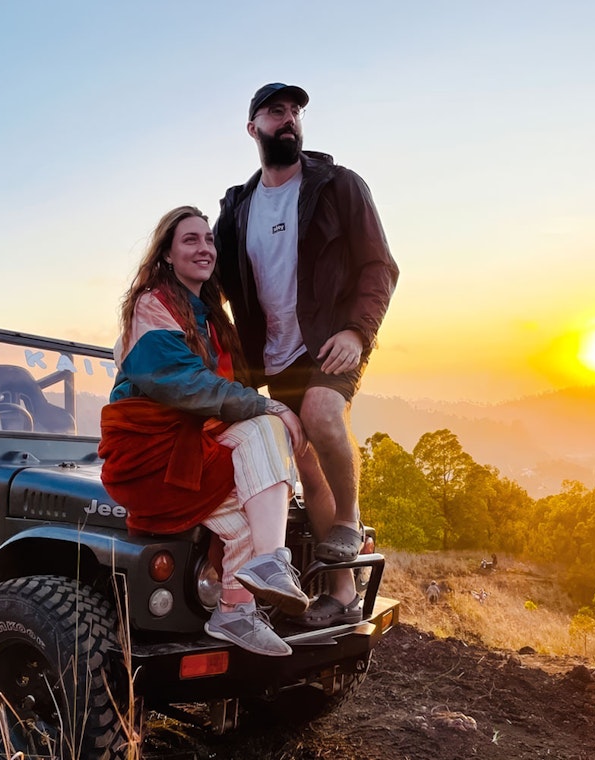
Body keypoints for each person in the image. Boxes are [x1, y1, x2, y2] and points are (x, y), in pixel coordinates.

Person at [214, 83, 399, 628]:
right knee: (306, 466)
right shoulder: (238, 209)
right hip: (271, 357)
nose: (289, 119)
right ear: (254, 129)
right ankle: (341, 592)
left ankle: (349, 520)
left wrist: (357, 333)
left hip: (332, 341)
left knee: (321, 415)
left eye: (295, 111)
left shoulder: (338, 186)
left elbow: (379, 267)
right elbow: (220, 283)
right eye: (276, 111)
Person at [99, 205, 310, 657]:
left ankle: (234, 610)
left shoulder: (212, 318)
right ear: (167, 256)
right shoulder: (151, 305)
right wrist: (268, 405)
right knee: (261, 425)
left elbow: (236, 383)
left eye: (208, 239)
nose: (204, 247)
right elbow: (180, 382)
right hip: (148, 455)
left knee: (254, 511)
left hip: (192, 447)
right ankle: (271, 565)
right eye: (190, 240)